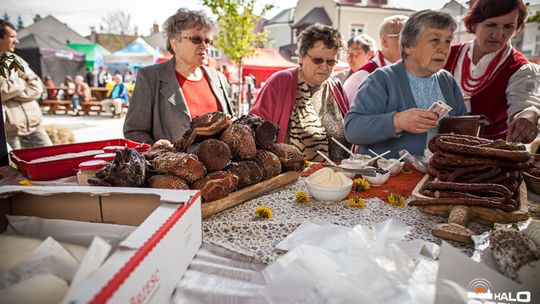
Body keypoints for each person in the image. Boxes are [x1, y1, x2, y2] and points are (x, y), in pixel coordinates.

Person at [345, 10, 467, 159]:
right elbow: (352, 129)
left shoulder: (447, 81)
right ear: (409, 45)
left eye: (448, 41)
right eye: (435, 40)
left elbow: (462, 128)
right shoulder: (382, 79)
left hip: (435, 177)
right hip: (387, 179)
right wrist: (397, 121)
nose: (444, 48)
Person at [123, 8, 233, 144]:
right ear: (175, 43)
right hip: (172, 164)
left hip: (220, 164)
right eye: (196, 39)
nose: (204, 46)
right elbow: (133, 132)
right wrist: (155, 148)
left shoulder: (219, 79)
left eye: (208, 41)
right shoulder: (150, 78)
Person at [250, 23, 349, 162]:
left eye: (331, 61)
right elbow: (256, 129)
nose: (325, 67)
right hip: (296, 179)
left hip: (340, 178)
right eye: (318, 60)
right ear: (302, 57)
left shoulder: (336, 86)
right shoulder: (280, 82)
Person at [444, 0, 540, 143]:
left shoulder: (520, 68)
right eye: (491, 25)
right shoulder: (446, 54)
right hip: (437, 149)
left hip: (491, 156)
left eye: (508, 26)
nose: (499, 34)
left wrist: (528, 116)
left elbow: (524, 104)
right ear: (474, 24)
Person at [0, 19, 52, 149]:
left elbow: (37, 86)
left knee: (50, 158)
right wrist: (21, 83)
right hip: (10, 132)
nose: (16, 41)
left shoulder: (15, 59)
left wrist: (11, 92)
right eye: (12, 36)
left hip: (35, 126)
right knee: (14, 168)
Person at [343, 15, 409, 103]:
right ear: (385, 42)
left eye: (415, 37)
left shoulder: (414, 73)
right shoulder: (362, 78)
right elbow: (350, 116)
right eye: (404, 37)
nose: (412, 43)